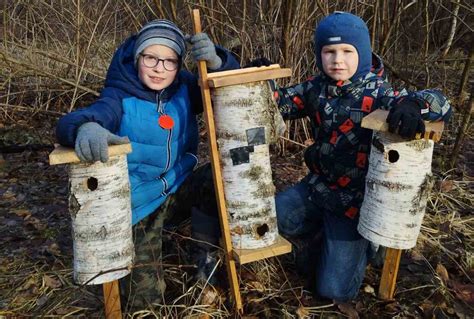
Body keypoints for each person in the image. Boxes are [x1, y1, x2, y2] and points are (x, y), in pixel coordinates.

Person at [56, 19, 239, 308]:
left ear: (179, 65)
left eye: (169, 61)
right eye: (151, 58)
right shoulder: (120, 95)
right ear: (137, 57)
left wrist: (218, 62)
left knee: (219, 177)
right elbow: (87, 116)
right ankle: (150, 253)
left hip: (177, 187)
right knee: (145, 301)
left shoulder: (184, 89)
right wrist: (84, 128)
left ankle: (204, 264)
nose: (159, 68)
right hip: (140, 205)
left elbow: (228, 91)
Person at [269, 11, 451, 302]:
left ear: (362, 53)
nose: (337, 60)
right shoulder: (315, 87)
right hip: (317, 187)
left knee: (333, 291)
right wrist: (251, 74)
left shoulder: (380, 91)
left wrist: (414, 104)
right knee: (267, 220)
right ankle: (322, 236)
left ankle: (367, 247)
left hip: (355, 204)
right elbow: (273, 103)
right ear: (320, 54)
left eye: (347, 51)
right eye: (329, 51)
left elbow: (442, 104)